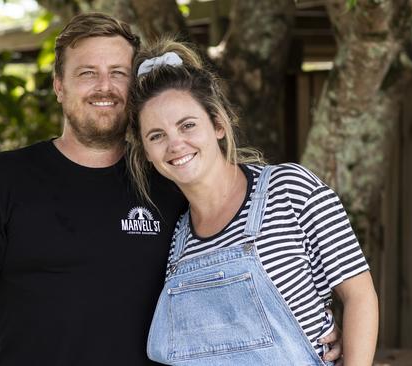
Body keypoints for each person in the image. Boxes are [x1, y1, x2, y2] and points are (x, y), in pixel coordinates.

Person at [0, 13, 345, 365]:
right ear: (59, 85)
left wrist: (313, 323)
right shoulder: (2, 180)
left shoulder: (170, 180)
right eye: (86, 73)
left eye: (118, 74)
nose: (104, 87)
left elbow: (245, 263)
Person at [126, 38, 378, 366]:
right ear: (146, 152)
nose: (175, 144)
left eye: (187, 125)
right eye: (156, 135)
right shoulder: (178, 240)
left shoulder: (290, 189)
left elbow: (359, 295)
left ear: (217, 124)